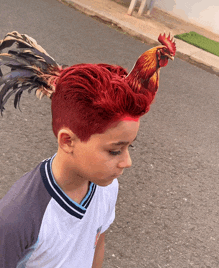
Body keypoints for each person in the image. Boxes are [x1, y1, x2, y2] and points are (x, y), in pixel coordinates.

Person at [0, 31, 174, 268]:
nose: (127, 162)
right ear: (68, 141)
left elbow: (97, 240)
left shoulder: (107, 187)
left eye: (129, 146)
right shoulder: (18, 219)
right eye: (115, 150)